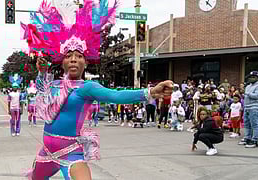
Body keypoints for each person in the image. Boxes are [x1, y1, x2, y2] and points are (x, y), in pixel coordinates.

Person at [21, 1, 173, 178]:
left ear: (85, 62)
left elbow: (115, 95)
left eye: (79, 56)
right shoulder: (53, 85)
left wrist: (151, 92)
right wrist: (42, 72)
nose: (73, 60)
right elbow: (40, 92)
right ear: (62, 61)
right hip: (46, 152)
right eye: (69, 56)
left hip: (71, 153)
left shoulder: (87, 88)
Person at [239, 71, 258, 148]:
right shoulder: (249, 86)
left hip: (254, 107)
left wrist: (246, 93)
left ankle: (254, 140)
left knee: (254, 124)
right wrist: (242, 94)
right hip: (247, 106)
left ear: (257, 78)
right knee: (246, 124)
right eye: (250, 77)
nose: (251, 78)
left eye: (253, 77)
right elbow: (246, 97)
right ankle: (247, 138)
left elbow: (257, 96)